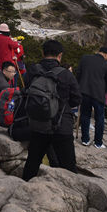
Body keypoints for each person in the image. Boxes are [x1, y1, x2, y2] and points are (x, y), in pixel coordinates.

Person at [21, 39, 81, 181]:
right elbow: (77, 99)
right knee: (68, 165)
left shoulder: (33, 71)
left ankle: (26, 184)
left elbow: (25, 92)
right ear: (60, 55)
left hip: (37, 124)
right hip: (61, 126)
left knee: (33, 161)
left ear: (43, 53)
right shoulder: (66, 74)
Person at [74, 46, 107, 149]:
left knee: (85, 115)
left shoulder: (85, 58)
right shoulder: (106, 65)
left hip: (84, 92)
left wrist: (76, 88)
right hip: (98, 95)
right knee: (99, 118)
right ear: (106, 54)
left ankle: (85, 140)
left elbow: (78, 74)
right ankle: (98, 143)